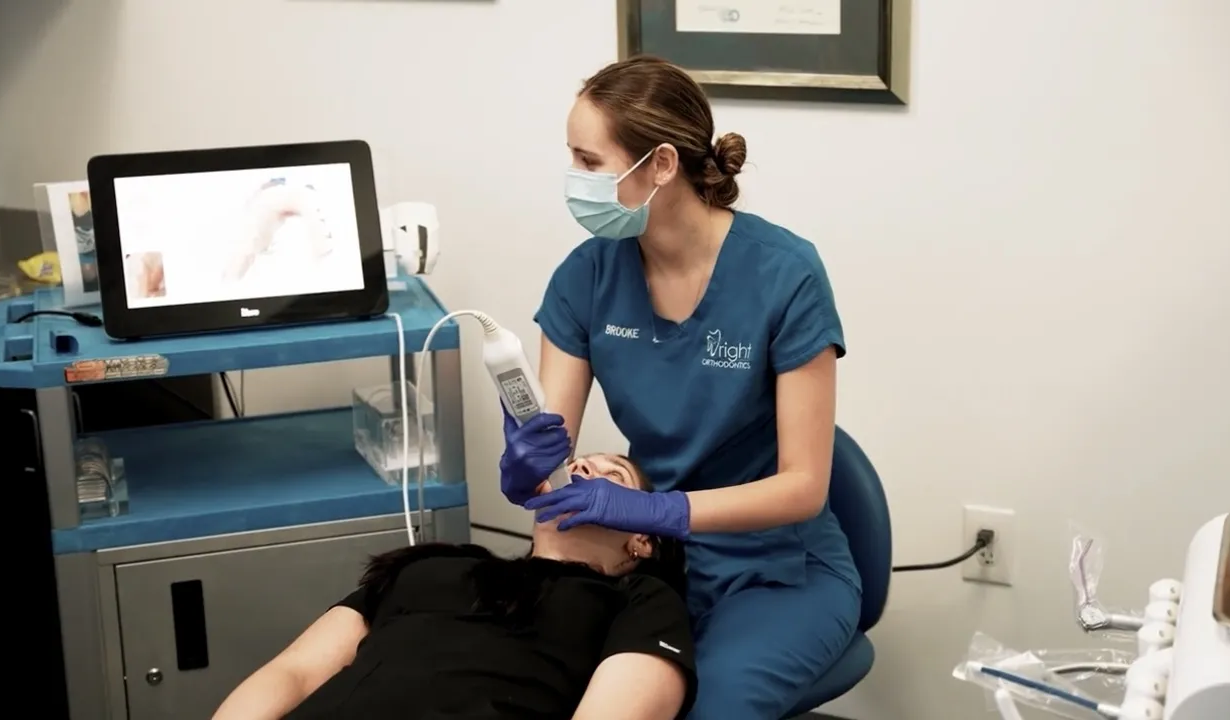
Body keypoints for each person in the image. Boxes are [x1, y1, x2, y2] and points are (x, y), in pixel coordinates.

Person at [499, 55, 862, 720]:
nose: (574, 179)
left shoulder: (785, 274)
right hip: (646, 564)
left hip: (776, 570)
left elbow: (803, 486)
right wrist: (528, 470)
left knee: (709, 707)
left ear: (661, 165)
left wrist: (661, 512)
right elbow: (550, 453)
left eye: (588, 161)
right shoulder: (586, 278)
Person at [213, 453, 697, 720]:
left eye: (612, 475)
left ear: (642, 541)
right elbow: (295, 673)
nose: (583, 468)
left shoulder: (638, 602)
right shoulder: (432, 565)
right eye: (581, 461)